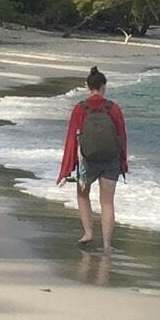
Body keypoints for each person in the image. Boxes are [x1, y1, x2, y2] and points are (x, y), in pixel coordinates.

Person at [55, 67, 128, 252]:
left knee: (82, 195)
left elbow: (72, 139)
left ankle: (88, 233)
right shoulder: (114, 108)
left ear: (88, 87)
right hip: (110, 160)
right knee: (107, 202)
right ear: (104, 87)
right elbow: (121, 137)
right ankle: (106, 245)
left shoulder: (80, 108)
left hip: (86, 161)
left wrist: (67, 169)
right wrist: (122, 163)